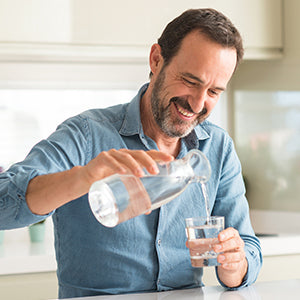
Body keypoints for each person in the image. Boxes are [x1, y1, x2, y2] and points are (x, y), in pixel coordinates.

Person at [0, 8, 262, 298]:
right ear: (156, 59)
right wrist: (83, 177)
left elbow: (248, 246)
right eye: (190, 81)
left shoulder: (218, 147)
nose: (198, 104)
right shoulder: (87, 135)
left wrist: (235, 265)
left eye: (213, 92)